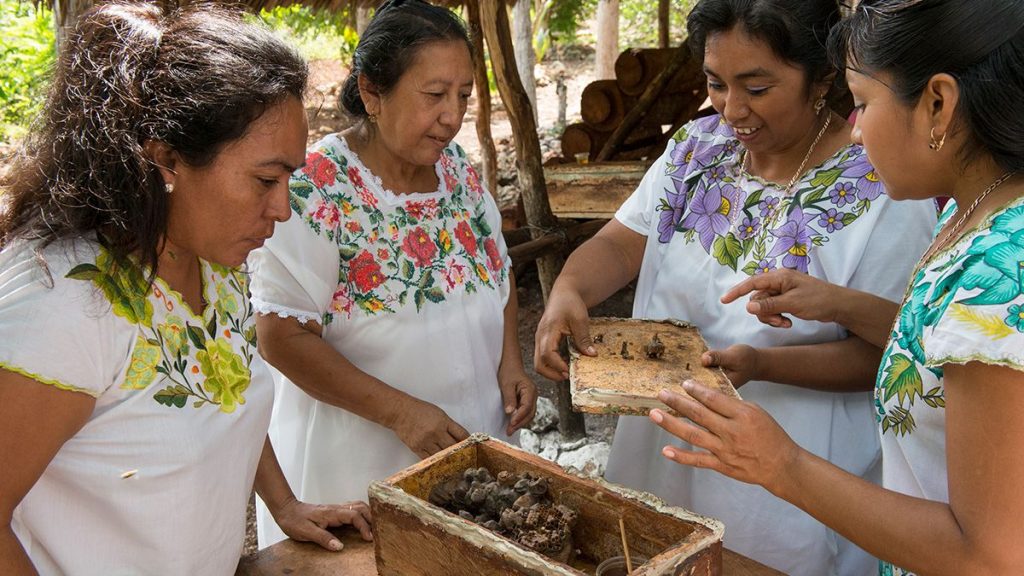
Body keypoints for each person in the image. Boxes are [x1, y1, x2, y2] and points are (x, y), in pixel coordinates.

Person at [533, 0, 940, 573]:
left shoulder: (884, 185)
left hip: (791, 473)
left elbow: (890, 353)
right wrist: (568, 290)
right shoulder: (695, 149)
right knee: (655, 551)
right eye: (716, 84)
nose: (733, 110)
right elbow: (622, 244)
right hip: (665, 443)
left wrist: (757, 365)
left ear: (822, 76)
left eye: (757, 86)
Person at [650, 1, 1024, 574]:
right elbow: (937, 348)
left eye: (864, 102)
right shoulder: (980, 217)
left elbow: (991, 557)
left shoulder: (996, 282)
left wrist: (781, 463)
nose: (853, 126)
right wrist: (838, 303)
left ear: (939, 104)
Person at [0, 4, 372, 574]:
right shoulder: (66, 305)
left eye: (290, 179)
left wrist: (285, 503)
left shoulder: (214, 264)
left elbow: (224, 394)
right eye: (266, 180)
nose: (283, 209)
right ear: (167, 159)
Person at [250, 0, 537, 547]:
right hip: (358, 467)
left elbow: (497, 278)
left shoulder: (460, 175)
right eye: (434, 96)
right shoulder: (313, 188)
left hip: (470, 449)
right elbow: (280, 336)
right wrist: (401, 414)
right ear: (372, 93)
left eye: (464, 96)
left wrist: (511, 363)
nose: (452, 116)